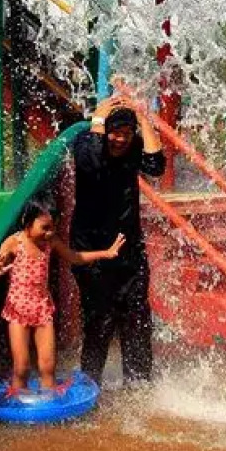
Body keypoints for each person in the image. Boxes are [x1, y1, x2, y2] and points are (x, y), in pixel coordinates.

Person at [66, 96, 166, 384]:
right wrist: (98, 117)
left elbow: (156, 165)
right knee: (101, 318)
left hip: (129, 250)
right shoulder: (86, 143)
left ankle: (138, 384)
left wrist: (144, 119)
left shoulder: (134, 147)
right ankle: (90, 385)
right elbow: (92, 163)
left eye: (125, 133)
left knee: (137, 317)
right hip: (92, 250)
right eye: (114, 132)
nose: (119, 139)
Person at [0, 206, 126, 398]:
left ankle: (49, 402)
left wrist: (105, 253)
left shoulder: (50, 241)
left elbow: (74, 257)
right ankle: (20, 406)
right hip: (18, 309)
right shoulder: (13, 243)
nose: (49, 232)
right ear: (27, 225)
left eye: (52, 227)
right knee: (22, 366)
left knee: (48, 365)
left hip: (42, 308)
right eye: (44, 227)